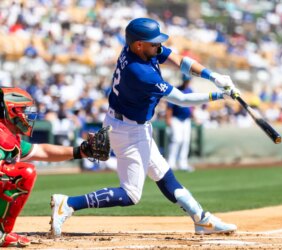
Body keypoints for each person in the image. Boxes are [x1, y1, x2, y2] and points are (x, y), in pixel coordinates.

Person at [50, 17, 240, 237]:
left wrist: (213, 76)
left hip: (131, 125)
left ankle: (202, 220)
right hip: (127, 130)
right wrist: (219, 95)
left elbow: (179, 60)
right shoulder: (139, 71)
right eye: (154, 43)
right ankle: (69, 203)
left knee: (163, 174)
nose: (158, 46)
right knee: (131, 194)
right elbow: (181, 99)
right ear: (139, 44)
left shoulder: (139, 49)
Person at [0, 87, 110, 247]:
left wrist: (81, 151)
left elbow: (43, 151)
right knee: (21, 173)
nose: (27, 114)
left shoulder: (9, 135)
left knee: (16, 171)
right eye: (23, 109)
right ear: (12, 110)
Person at [166, 74, 194, 172]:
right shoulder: (176, 90)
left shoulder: (190, 91)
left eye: (188, 80)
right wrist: (168, 119)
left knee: (185, 141)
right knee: (177, 140)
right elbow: (169, 107)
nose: (187, 82)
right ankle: (171, 163)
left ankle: (183, 163)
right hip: (176, 118)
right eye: (186, 80)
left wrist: (193, 115)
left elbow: (192, 106)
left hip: (186, 119)